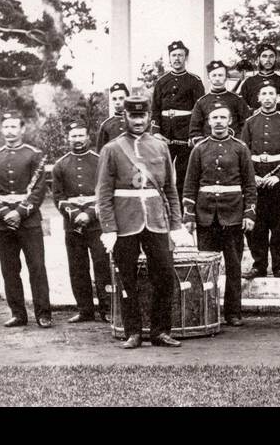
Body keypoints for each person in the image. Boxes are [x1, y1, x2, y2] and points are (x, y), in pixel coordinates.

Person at [96, 95, 189, 349]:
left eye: (142, 116)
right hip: (124, 223)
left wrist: (176, 224)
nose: (138, 121)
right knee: (127, 278)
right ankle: (133, 332)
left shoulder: (160, 147)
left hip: (157, 221)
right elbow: (103, 194)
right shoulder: (112, 149)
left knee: (164, 275)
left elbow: (170, 189)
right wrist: (109, 229)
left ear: (149, 117)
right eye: (133, 116)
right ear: (124, 117)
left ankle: (160, 331)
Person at [183, 104, 256, 327]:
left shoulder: (240, 148)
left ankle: (233, 313)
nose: (218, 121)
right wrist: (189, 216)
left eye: (223, 117)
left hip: (233, 216)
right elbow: (190, 185)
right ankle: (208, 311)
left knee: (233, 267)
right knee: (206, 269)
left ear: (230, 121)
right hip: (206, 217)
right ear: (208, 121)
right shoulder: (199, 148)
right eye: (214, 117)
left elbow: (250, 185)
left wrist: (249, 213)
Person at [0, 112, 52, 328]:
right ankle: (18, 314)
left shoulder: (34, 155)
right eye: (6, 127)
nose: (10, 131)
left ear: (23, 129)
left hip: (29, 222)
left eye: (14, 126)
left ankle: (44, 313)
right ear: (2, 130)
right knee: (10, 270)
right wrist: (5, 214)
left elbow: (39, 191)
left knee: (37, 268)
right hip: (4, 224)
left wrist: (19, 213)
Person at [52, 122, 112, 323]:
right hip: (72, 224)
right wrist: (75, 214)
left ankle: (107, 309)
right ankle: (85, 309)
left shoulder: (100, 160)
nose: (77, 140)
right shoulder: (61, 164)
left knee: (102, 265)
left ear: (88, 137)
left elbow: (105, 191)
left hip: (96, 224)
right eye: (73, 136)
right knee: (77, 268)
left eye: (80, 136)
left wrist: (89, 213)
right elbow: (58, 197)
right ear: (67, 139)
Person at [239, 81, 280, 279]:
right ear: (258, 98)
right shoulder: (250, 122)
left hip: (279, 183)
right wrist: (252, 177)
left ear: (277, 97)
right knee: (256, 225)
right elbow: (243, 153)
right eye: (263, 93)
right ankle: (258, 265)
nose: (267, 97)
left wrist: (278, 176)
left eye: (271, 93)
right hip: (255, 180)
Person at [150, 40, 205, 201]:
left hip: (185, 136)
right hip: (165, 136)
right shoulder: (162, 81)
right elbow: (155, 109)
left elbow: (200, 109)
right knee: (162, 174)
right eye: (174, 55)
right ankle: (163, 208)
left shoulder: (194, 81)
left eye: (180, 55)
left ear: (185, 57)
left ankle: (182, 212)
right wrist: (156, 132)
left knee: (183, 175)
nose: (177, 58)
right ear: (169, 58)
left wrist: (194, 134)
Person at [188, 60, 249, 146]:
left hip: (233, 148)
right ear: (209, 78)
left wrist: (236, 142)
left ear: (226, 77)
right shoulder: (201, 102)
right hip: (208, 150)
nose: (217, 79)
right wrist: (206, 145)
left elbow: (246, 126)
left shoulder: (237, 100)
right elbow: (195, 131)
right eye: (214, 75)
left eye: (220, 75)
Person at [239, 44, 280, 116]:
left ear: (275, 59)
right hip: (254, 124)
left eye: (271, 56)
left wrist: (275, 107)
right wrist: (253, 112)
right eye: (264, 56)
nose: (268, 60)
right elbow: (240, 108)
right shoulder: (249, 82)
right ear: (258, 59)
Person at [97, 82, 130, 149]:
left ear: (128, 98)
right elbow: (101, 152)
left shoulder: (136, 122)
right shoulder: (106, 125)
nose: (117, 102)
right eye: (114, 99)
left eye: (121, 98)